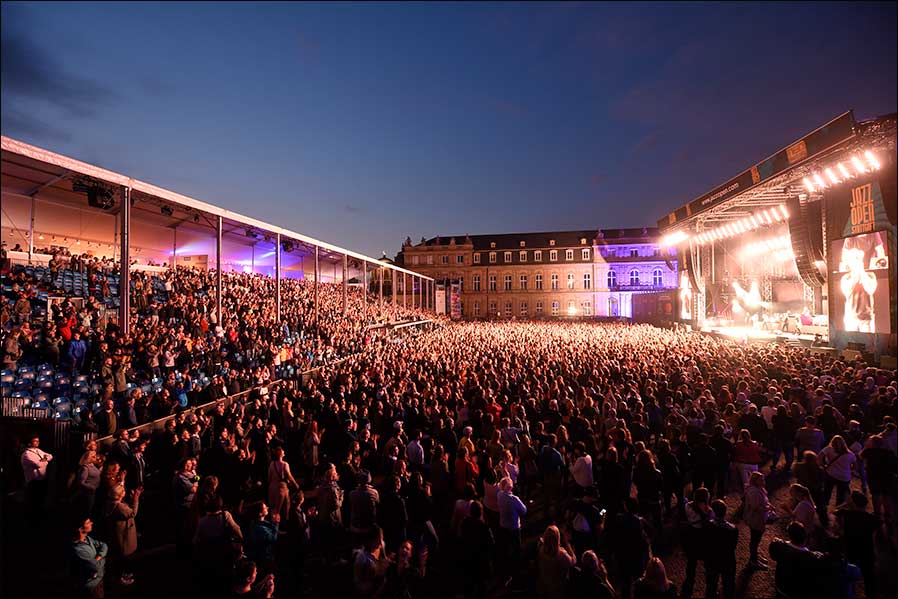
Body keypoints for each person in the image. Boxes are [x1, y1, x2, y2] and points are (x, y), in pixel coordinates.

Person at [835, 491, 878, 598]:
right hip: (867, 550)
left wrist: (845, 504)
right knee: (869, 577)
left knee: (849, 575)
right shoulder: (872, 518)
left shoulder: (846, 513)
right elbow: (874, 536)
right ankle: (870, 594)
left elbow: (833, 511)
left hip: (851, 549)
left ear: (853, 503)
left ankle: (851, 593)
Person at [769, 522, 823, 599]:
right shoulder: (812, 557)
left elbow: (773, 555)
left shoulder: (779, 547)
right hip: (797, 593)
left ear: (789, 535)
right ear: (804, 537)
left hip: (780, 587)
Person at [102, 484, 140, 586]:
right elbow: (132, 513)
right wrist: (135, 499)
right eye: (122, 491)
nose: (125, 492)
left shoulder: (111, 502)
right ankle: (121, 578)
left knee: (119, 556)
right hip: (123, 534)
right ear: (119, 495)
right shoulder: (120, 507)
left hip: (116, 533)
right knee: (123, 558)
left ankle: (121, 575)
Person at [818, 435, 856, 526]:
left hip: (831, 474)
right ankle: (838, 515)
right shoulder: (850, 454)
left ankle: (823, 512)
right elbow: (855, 466)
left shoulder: (829, 449)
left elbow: (819, 457)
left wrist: (822, 466)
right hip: (844, 477)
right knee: (841, 496)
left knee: (827, 492)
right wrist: (850, 471)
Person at [459, 501, 494, 599]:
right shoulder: (484, 527)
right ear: (481, 512)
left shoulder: (465, 522)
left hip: (468, 558)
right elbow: (491, 543)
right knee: (481, 586)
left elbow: (461, 536)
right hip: (481, 561)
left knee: (469, 585)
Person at [496, 476, 527, 582]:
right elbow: (524, 510)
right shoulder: (514, 499)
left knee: (505, 547)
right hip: (514, 527)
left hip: (503, 525)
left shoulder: (499, 495)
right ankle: (516, 570)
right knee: (516, 548)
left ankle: (505, 569)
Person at [705, 499, 737, 599]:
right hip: (727, 560)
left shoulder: (708, 526)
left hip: (712, 560)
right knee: (729, 585)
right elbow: (733, 546)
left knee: (711, 585)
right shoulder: (733, 529)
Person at [71, 518, 108, 599]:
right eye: (88, 523)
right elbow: (96, 567)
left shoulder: (87, 538)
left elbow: (104, 545)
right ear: (80, 529)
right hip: (93, 586)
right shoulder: (79, 550)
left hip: (99, 579)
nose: (92, 523)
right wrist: (104, 558)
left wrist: (98, 557)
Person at [536, 524, 575, 599]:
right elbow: (573, 562)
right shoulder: (560, 554)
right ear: (558, 538)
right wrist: (567, 543)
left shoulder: (541, 549)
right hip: (557, 589)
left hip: (544, 584)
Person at [743, 471, 773, 570]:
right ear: (755, 481)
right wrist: (767, 508)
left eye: (763, 479)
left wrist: (768, 505)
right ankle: (753, 560)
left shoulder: (759, 489)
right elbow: (755, 507)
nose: (763, 481)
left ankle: (755, 555)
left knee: (756, 539)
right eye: (761, 479)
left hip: (759, 518)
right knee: (755, 540)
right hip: (755, 519)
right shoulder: (754, 491)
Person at [21, 434, 53, 523]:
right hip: (33, 482)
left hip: (42, 480)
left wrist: (45, 459)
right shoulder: (27, 454)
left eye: (38, 441)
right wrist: (45, 461)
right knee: (33, 501)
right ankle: (32, 520)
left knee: (41, 500)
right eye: (35, 441)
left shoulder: (38, 450)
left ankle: (40, 518)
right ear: (29, 443)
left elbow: (50, 456)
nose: (37, 442)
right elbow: (38, 465)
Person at [267, 446, 298, 523]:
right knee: (284, 507)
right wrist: (295, 484)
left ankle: (272, 523)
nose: (284, 452)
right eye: (283, 451)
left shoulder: (271, 464)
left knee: (273, 508)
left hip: (272, 488)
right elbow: (289, 475)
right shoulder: (285, 464)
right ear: (280, 454)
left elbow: (269, 477)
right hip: (281, 488)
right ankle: (281, 525)